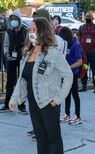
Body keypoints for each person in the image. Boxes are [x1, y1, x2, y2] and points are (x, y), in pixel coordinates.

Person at [9, 17, 73, 154]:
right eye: (30, 30)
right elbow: (22, 79)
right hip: (33, 101)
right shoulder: (27, 54)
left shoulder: (52, 53)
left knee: (53, 138)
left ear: (43, 32)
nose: (31, 33)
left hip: (48, 102)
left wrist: (58, 98)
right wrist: (14, 98)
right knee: (41, 136)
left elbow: (68, 75)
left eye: (35, 30)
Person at [27, 8, 68, 140]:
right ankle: (38, 130)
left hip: (52, 84)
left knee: (51, 121)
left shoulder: (58, 41)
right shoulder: (35, 40)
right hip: (36, 83)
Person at [0, 9, 27, 114]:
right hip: (11, 59)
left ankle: (21, 105)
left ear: (19, 20)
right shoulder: (8, 31)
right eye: (12, 19)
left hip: (21, 58)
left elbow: (27, 44)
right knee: (10, 82)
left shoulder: (25, 31)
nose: (13, 21)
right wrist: (6, 52)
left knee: (21, 82)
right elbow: (6, 44)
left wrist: (24, 53)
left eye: (16, 19)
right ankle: (7, 104)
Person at [58, 27, 82, 125]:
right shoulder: (64, 45)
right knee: (66, 93)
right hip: (65, 73)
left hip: (73, 73)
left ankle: (77, 115)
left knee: (74, 93)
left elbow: (79, 62)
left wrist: (69, 67)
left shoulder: (75, 45)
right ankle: (67, 113)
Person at [77, 12, 95, 93]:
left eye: (89, 16)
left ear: (92, 18)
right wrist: (79, 48)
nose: (88, 17)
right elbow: (78, 37)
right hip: (84, 53)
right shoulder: (81, 27)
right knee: (84, 68)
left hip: (93, 51)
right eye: (87, 16)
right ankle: (83, 85)